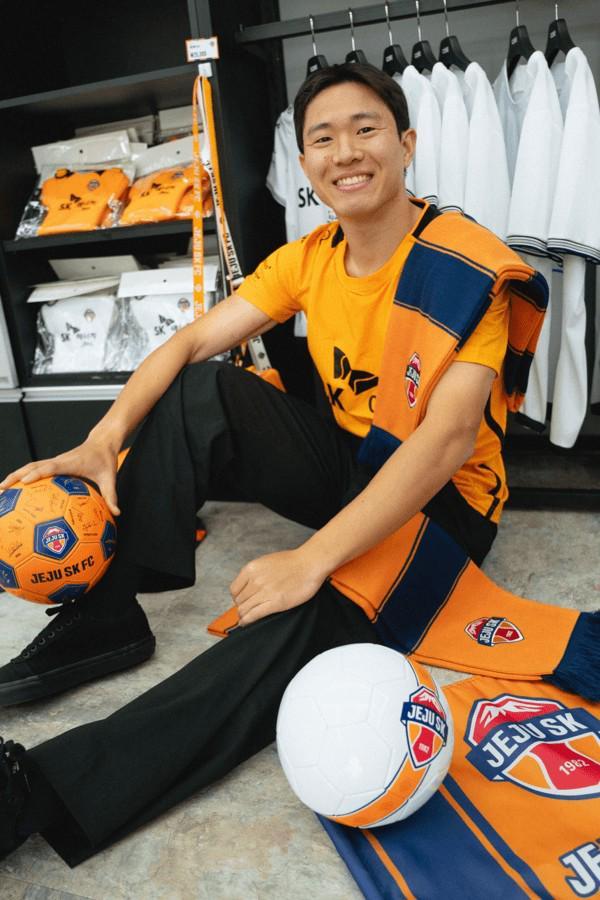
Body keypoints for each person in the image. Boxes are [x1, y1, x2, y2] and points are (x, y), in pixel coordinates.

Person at [0, 63, 530, 866]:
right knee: (201, 386)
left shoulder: (468, 266)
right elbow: (188, 343)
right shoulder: (311, 255)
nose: (345, 152)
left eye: (365, 130)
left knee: (308, 622)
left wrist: (313, 560)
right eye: (323, 138)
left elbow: (448, 440)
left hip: (445, 505)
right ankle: (107, 620)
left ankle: (40, 793)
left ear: (407, 143)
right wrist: (103, 439)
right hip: (358, 463)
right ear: (305, 161)